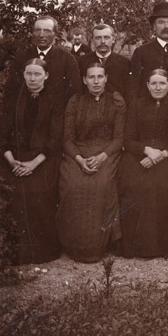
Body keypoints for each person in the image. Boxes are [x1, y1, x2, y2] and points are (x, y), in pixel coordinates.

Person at [56, 63, 126, 262]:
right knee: (72, 184)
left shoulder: (117, 101)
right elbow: (67, 139)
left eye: (100, 77)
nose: (96, 82)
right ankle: (72, 243)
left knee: (103, 183)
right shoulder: (75, 102)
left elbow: (118, 139)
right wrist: (79, 160)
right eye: (91, 77)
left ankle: (101, 244)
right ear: (84, 80)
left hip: (107, 152)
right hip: (78, 152)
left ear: (106, 79)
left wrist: (102, 157)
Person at [0, 58, 63, 264]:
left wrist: (33, 164)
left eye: (37, 74)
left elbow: (55, 138)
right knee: (14, 192)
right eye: (29, 73)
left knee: (38, 192)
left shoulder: (54, 100)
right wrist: (11, 161)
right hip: (16, 157)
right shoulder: (15, 99)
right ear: (24, 75)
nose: (33, 78)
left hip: (44, 158)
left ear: (46, 76)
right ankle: (17, 252)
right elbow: (3, 134)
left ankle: (43, 252)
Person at [119, 69, 168, 258]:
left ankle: (159, 247)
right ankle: (133, 246)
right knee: (133, 184)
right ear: (147, 85)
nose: (158, 87)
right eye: (154, 83)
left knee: (162, 186)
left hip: (166, 156)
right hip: (139, 154)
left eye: (162, 83)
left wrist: (160, 155)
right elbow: (128, 139)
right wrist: (146, 150)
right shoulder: (136, 105)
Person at [3, 15, 82, 110]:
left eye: (47, 31)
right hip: (26, 115)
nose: (41, 35)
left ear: (55, 34)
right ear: (33, 33)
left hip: (56, 116)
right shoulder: (22, 57)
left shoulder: (67, 59)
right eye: (38, 30)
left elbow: (74, 94)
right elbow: (11, 91)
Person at [128, 2, 168, 103]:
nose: (166, 26)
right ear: (154, 26)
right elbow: (133, 87)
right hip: (148, 110)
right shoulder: (141, 52)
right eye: (161, 22)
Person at [79, 23, 130, 97]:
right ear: (93, 40)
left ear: (113, 39)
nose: (102, 41)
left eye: (106, 37)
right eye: (98, 38)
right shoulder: (82, 61)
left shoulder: (124, 63)